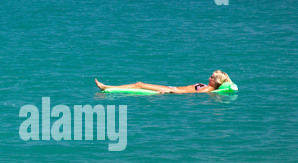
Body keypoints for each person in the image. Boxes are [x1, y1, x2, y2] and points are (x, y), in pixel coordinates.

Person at [95, 70, 233, 94]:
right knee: (139, 84)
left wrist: (168, 92)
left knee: (139, 84)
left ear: (215, 82)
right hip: (171, 88)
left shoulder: (207, 90)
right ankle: (108, 86)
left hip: (171, 90)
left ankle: (107, 87)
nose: (209, 78)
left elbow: (189, 93)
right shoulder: (209, 87)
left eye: (212, 77)